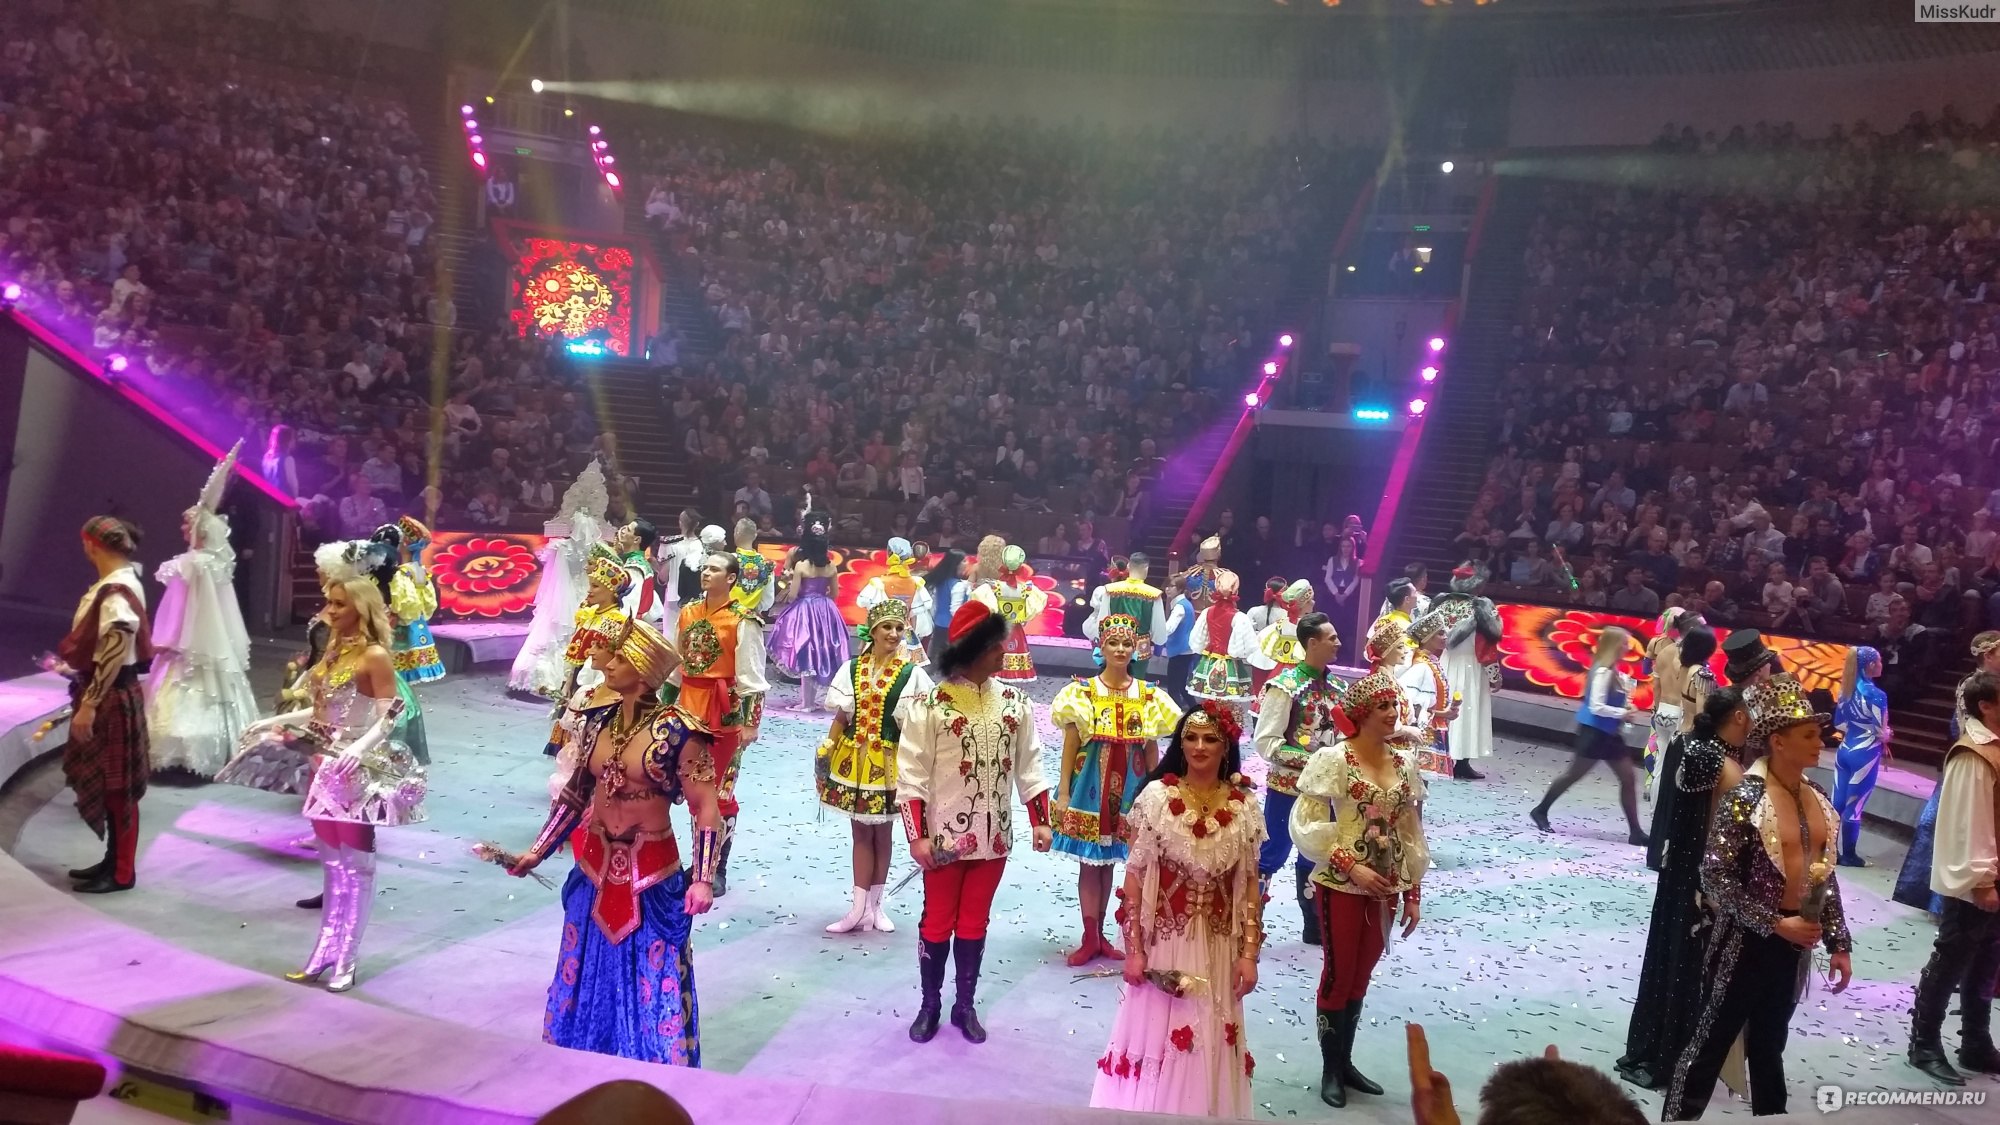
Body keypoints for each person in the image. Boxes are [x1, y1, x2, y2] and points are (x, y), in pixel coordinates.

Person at [506, 618, 722, 1066]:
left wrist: (701, 879)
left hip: (653, 876)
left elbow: (706, 809)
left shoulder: (682, 733)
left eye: (620, 658)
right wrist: (538, 850)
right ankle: (582, 1058)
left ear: (643, 673)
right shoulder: (596, 721)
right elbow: (575, 795)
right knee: (585, 964)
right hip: (593, 869)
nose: (607, 664)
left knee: (653, 971)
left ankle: (657, 1069)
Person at [221, 555, 426, 990]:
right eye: (329, 603)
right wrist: (270, 722)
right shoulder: (334, 651)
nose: (330, 611)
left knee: (358, 866)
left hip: (355, 770)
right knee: (332, 865)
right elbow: (318, 711)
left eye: (339, 605)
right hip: (322, 764)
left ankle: (346, 959)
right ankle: (322, 953)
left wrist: (359, 746)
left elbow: (391, 713)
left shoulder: (373, 655)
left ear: (361, 610)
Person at [1662, 676, 1853, 1120]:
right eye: (1808, 735)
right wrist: (1772, 922)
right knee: (1710, 1042)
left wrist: (1838, 942)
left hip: (1791, 947)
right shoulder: (1745, 798)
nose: (1819, 742)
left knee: (1770, 1046)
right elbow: (1715, 876)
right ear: (1778, 741)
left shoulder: (1818, 799)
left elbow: (1823, 877)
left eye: (1818, 733)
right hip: (1742, 944)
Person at [1089, 704, 1266, 1117]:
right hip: (1165, 943)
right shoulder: (1155, 799)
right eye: (1191, 737)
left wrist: (1249, 954)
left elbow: (1252, 886)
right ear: (1180, 743)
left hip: (1221, 945)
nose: (1199, 746)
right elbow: (1133, 881)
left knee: (1210, 1036)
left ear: (1226, 747)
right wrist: (1134, 950)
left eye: (1210, 739)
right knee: (1162, 1036)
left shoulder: (1244, 807)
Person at [898, 600, 1053, 1045]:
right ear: (973, 648)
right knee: (937, 921)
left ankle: (963, 1005)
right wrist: (917, 837)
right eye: (995, 646)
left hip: (994, 838)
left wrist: (1039, 820)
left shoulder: (1016, 703)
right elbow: (910, 775)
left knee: (974, 922)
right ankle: (930, 1004)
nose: (1004, 651)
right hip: (944, 842)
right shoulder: (931, 705)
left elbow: (1030, 766)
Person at [1290, 668, 1429, 1108]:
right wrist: (1351, 866)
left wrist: (1413, 891)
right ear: (1362, 712)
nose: (1392, 713)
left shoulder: (1404, 764)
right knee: (1337, 974)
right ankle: (1331, 1068)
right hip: (1342, 884)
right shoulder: (1335, 759)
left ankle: (1345, 1061)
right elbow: (1306, 821)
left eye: (1394, 705)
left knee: (1361, 978)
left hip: (1385, 887)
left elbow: (1410, 830)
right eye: (1382, 706)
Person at [1615, 688, 1748, 1091]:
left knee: (1668, 958)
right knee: (1692, 969)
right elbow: (1722, 837)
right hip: (1702, 883)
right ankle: (1680, 1055)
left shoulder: (1691, 747)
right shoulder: (1725, 767)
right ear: (1739, 717)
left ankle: (1656, 1045)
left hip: (1677, 876)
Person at [1051, 614, 1180, 965]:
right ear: (1101, 646)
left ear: (1136, 648)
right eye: (1113, 642)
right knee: (1090, 863)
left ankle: (1101, 934)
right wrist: (1064, 792)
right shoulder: (1082, 693)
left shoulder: (1148, 695)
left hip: (1131, 788)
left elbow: (1151, 749)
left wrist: (1158, 789)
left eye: (1127, 643)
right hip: (1091, 783)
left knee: (1110, 862)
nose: (1121, 649)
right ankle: (1089, 934)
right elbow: (1070, 745)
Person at [1905, 669, 2000, 1086]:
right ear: (1986, 705)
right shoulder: (1974, 752)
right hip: (1978, 877)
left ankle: (1976, 1043)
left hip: (1994, 871)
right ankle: (1923, 1042)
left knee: (1986, 961)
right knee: (1952, 956)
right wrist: (1981, 880)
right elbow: (1968, 820)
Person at [818, 599, 933, 935]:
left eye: (899, 628)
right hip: (852, 759)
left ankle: (875, 907)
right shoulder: (852, 669)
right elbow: (842, 715)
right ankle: (856, 908)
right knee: (859, 832)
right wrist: (827, 750)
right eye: (887, 627)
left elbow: (917, 727)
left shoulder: (912, 675)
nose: (894, 634)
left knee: (884, 832)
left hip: (890, 762)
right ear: (873, 630)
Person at [146, 443, 258, 779]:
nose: (183, 531)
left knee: (180, 692)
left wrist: (164, 640)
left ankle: (179, 757)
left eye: (187, 526)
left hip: (186, 644)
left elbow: (181, 609)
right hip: (214, 644)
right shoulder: (215, 564)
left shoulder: (191, 565)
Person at [55, 516, 154, 894]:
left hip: (112, 696)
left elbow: (115, 648)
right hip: (113, 692)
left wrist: (90, 704)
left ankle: (122, 871)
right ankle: (113, 862)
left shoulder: (115, 591)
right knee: (116, 787)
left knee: (118, 788)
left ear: (92, 544)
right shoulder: (123, 581)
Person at [668, 552, 767, 897]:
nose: (706, 573)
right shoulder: (688, 612)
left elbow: (753, 678)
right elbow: (675, 666)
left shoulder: (743, 620)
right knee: (693, 791)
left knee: (720, 791)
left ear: (732, 579)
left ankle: (714, 868)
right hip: (686, 710)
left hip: (725, 714)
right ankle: (697, 863)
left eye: (715, 569)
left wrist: (750, 723)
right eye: (705, 567)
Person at [1253, 612, 1345, 945]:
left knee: (1317, 854)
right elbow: (1266, 742)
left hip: (1328, 794)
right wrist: (1316, 761)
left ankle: (1314, 924)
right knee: (1270, 853)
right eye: (1331, 638)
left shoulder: (1339, 688)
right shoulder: (1284, 686)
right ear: (1312, 643)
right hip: (1287, 789)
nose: (1338, 643)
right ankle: (1251, 925)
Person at [1895, 631, 2000, 913]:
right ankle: (1946, 898)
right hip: (1974, 756)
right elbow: (1966, 726)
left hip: (1989, 756)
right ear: (1988, 655)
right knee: (1948, 825)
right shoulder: (1971, 684)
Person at [1529, 627, 1650, 847]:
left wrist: (1622, 709)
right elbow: (1596, 706)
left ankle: (1635, 831)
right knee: (1572, 775)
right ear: (1614, 645)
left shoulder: (1610, 669)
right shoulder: (1603, 671)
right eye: (1624, 643)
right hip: (1594, 733)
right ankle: (1540, 810)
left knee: (1628, 779)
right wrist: (1623, 713)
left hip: (1608, 734)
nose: (1627, 647)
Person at [508, 460, 611, 696]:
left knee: (555, 633)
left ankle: (548, 679)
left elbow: (551, 577)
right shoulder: (597, 549)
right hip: (585, 592)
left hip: (563, 596)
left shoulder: (560, 547)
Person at [1645, 626, 1720, 872]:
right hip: (1691, 741)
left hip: (1678, 735)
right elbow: (1703, 715)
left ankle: (1658, 854)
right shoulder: (1703, 676)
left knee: (1667, 793)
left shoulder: (1682, 668)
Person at [770, 512, 851, 711]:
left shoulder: (801, 565)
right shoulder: (831, 566)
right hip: (825, 609)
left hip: (804, 609)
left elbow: (793, 594)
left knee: (805, 652)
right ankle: (810, 701)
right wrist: (822, 602)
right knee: (820, 653)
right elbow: (834, 594)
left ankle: (806, 703)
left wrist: (796, 598)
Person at [1429, 564, 1503, 780]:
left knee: (1444, 708)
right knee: (1466, 712)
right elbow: (1486, 645)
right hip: (1471, 666)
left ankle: (1442, 757)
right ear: (1478, 585)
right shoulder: (1481, 608)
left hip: (1444, 662)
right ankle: (1461, 763)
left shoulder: (1440, 603)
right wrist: (1495, 675)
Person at [1830, 647, 1891, 868]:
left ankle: (1828, 851)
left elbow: (1839, 724)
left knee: (1836, 802)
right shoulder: (1877, 695)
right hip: (1865, 754)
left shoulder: (1845, 690)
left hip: (1845, 749)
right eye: (1880, 661)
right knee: (1854, 807)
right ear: (1871, 665)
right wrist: (1888, 734)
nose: (1882, 664)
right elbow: (1880, 731)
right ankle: (1849, 855)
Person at [972, 543, 1048, 682]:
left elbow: (980, 603)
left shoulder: (993, 587)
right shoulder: (1028, 588)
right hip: (1015, 629)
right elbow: (1038, 603)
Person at [1082, 553, 1170, 672]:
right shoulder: (1153, 595)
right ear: (1146, 568)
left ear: (1129, 566)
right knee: (1136, 686)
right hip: (1140, 648)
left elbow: (1102, 624)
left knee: (1112, 683)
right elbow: (1159, 634)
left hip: (1114, 644)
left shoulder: (1110, 590)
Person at [858, 537, 937, 670]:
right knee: (901, 673)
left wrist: (864, 641)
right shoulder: (915, 583)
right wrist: (912, 641)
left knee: (877, 670)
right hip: (904, 633)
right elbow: (914, 616)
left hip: (881, 631)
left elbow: (871, 616)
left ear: (889, 554)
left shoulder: (879, 583)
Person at [384, 518, 446, 685]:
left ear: (404, 542)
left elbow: (400, 604)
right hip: (418, 621)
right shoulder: (420, 570)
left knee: (396, 671)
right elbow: (429, 603)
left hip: (402, 624)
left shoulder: (401, 572)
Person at [1642, 608, 1694, 795]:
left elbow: (1645, 670)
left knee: (1656, 746)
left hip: (1661, 704)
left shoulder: (1658, 644)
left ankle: (1651, 786)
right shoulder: (1692, 649)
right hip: (1681, 707)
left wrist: (1661, 672)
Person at [1401, 612, 1460, 778]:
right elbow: (1412, 706)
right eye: (1440, 633)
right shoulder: (1421, 666)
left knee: (1419, 784)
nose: (1445, 636)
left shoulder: (1431, 662)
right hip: (1420, 731)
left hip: (1430, 727)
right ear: (1427, 638)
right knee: (1414, 782)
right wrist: (1444, 713)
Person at [1187, 570, 1255, 712]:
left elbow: (1197, 640)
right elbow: (1243, 648)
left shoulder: (1207, 611)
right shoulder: (1239, 617)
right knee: (1228, 706)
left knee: (1209, 703)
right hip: (1230, 663)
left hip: (1209, 661)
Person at [1249, 579, 1314, 697]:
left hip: (1279, 666)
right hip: (1296, 668)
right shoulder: (1303, 625)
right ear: (1303, 603)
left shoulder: (1281, 623)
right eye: (1310, 600)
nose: (1314, 603)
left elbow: (1261, 638)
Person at [614, 518, 668, 632]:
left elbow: (630, 603)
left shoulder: (635, 566)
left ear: (637, 539)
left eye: (628, 530)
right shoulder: (636, 561)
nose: (623, 531)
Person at [1158, 575, 1200, 711]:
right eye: (1167, 585)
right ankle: (1195, 710)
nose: (1167, 589)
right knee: (1181, 686)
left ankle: (1177, 715)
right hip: (1184, 649)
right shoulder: (1184, 604)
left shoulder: (1180, 607)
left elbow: (1169, 628)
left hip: (1181, 650)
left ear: (1180, 588)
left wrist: (1155, 633)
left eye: (1172, 586)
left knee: (1174, 687)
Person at [922, 548, 968, 666]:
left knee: (936, 657)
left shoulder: (941, 581)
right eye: (964, 561)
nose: (967, 563)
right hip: (953, 627)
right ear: (956, 564)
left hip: (938, 623)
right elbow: (955, 610)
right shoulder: (958, 586)